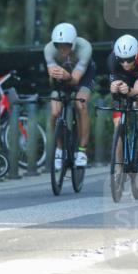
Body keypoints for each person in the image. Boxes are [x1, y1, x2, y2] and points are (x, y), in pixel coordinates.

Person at [43, 22, 94, 169]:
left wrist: (67, 76)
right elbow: (52, 82)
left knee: (80, 105)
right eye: (58, 45)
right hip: (61, 77)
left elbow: (75, 80)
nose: (62, 49)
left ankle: (82, 151)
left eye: (66, 45)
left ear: (73, 43)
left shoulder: (85, 48)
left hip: (83, 77)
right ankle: (60, 149)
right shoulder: (49, 49)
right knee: (55, 113)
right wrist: (54, 77)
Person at [107, 34, 138, 152]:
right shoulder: (111, 60)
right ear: (117, 56)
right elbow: (114, 87)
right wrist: (114, 88)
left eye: (129, 59)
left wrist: (129, 91)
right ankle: (118, 163)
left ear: (135, 55)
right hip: (125, 77)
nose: (125, 63)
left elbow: (136, 91)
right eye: (121, 60)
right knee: (117, 123)